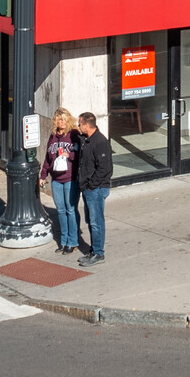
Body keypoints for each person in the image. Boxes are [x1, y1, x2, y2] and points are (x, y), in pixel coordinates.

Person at [73, 111, 113, 267]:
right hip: (88, 187)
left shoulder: (100, 142)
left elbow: (105, 168)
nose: (78, 126)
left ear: (86, 124)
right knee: (91, 220)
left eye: (79, 124)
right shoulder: (87, 140)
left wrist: (91, 185)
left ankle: (98, 253)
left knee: (96, 222)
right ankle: (94, 249)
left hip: (95, 189)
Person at [39, 109, 81, 255]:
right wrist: (43, 175)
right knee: (61, 211)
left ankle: (73, 241)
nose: (61, 122)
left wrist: (68, 154)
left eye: (63, 119)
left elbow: (81, 154)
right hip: (56, 179)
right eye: (58, 119)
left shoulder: (74, 135)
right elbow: (47, 158)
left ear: (68, 120)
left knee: (70, 209)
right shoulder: (52, 137)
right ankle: (63, 241)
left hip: (70, 179)